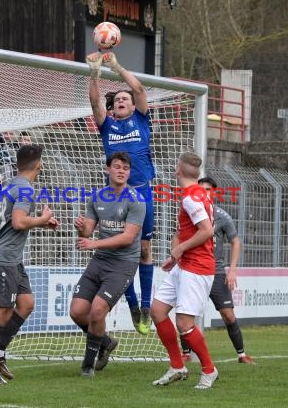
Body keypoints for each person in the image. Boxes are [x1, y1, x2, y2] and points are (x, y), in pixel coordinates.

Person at [86, 51, 156, 335]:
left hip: (142, 193)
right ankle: (132, 303)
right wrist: (94, 74)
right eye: (117, 101)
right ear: (112, 109)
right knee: (120, 249)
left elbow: (138, 88)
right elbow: (93, 101)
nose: (123, 101)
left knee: (144, 249)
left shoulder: (141, 119)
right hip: (116, 196)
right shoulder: (108, 126)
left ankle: (146, 307)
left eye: (125, 98)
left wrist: (116, 66)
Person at [0, 144, 59, 385]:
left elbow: (16, 220)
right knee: (3, 311)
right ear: (38, 164)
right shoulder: (25, 188)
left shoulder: (13, 183)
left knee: (26, 303)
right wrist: (42, 218)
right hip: (4, 258)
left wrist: (42, 223)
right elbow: (18, 222)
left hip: (10, 257)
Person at [69, 152, 146, 377]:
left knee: (97, 310)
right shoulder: (97, 197)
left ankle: (87, 366)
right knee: (76, 312)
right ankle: (105, 342)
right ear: (108, 169)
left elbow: (128, 238)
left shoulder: (136, 200)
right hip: (100, 260)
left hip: (123, 264)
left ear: (129, 173)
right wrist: (81, 227)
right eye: (117, 166)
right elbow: (88, 232)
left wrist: (94, 243)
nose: (121, 171)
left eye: (125, 168)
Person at [150, 152, 218, 390]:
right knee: (158, 310)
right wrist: (175, 256)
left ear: (177, 170)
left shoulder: (191, 197)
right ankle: (177, 366)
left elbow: (207, 231)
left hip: (197, 267)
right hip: (185, 264)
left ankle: (209, 370)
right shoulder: (198, 193)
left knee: (184, 323)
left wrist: (179, 250)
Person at [180, 177, 254, 364]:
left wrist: (232, 270)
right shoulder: (190, 210)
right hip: (194, 269)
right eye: (201, 189)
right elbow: (178, 235)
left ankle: (241, 354)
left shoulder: (221, 216)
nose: (204, 192)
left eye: (208, 190)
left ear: (214, 192)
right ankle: (186, 353)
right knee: (187, 313)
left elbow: (235, 241)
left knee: (228, 314)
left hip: (217, 271)